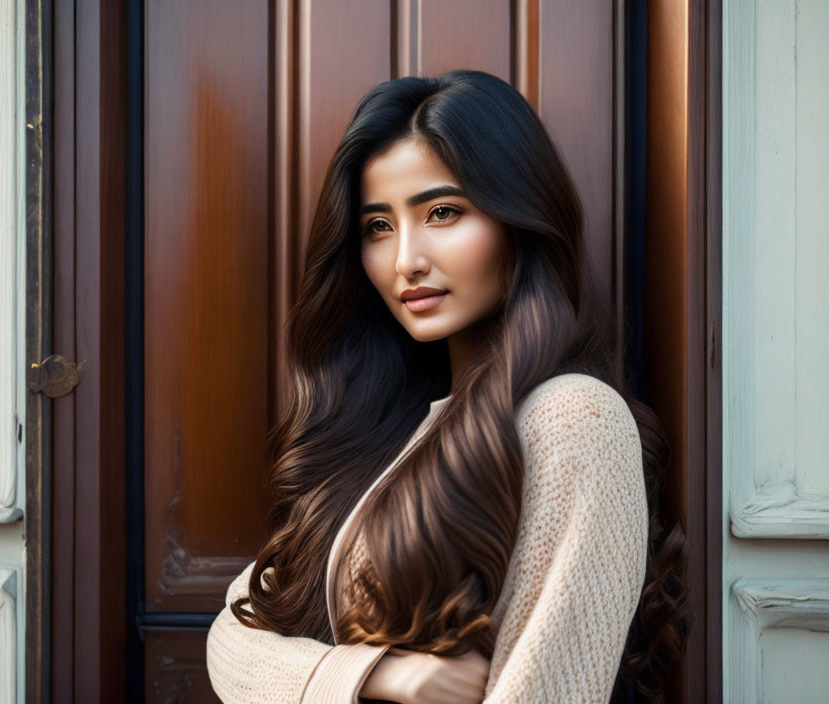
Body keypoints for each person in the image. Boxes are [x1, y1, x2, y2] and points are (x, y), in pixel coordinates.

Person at [206, 69, 691, 703]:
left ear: (522, 218)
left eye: (442, 212)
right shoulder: (388, 426)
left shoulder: (573, 419)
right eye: (378, 226)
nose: (405, 258)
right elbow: (230, 634)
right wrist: (383, 675)